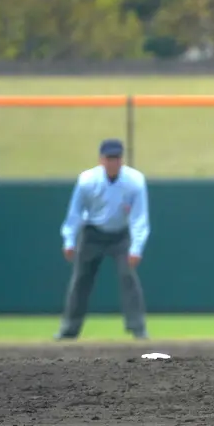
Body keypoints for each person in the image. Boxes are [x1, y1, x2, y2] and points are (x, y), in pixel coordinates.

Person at [56, 138, 151, 340]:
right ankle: (69, 329)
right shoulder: (87, 181)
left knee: (128, 278)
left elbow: (139, 217)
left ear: (122, 160)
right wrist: (69, 240)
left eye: (116, 158)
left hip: (121, 235)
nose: (113, 162)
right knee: (80, 280)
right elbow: (75, 212)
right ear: (101, 160)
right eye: (109, 158)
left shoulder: (134, 181)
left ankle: (138, 328)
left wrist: (136, 248)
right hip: (92, 233)